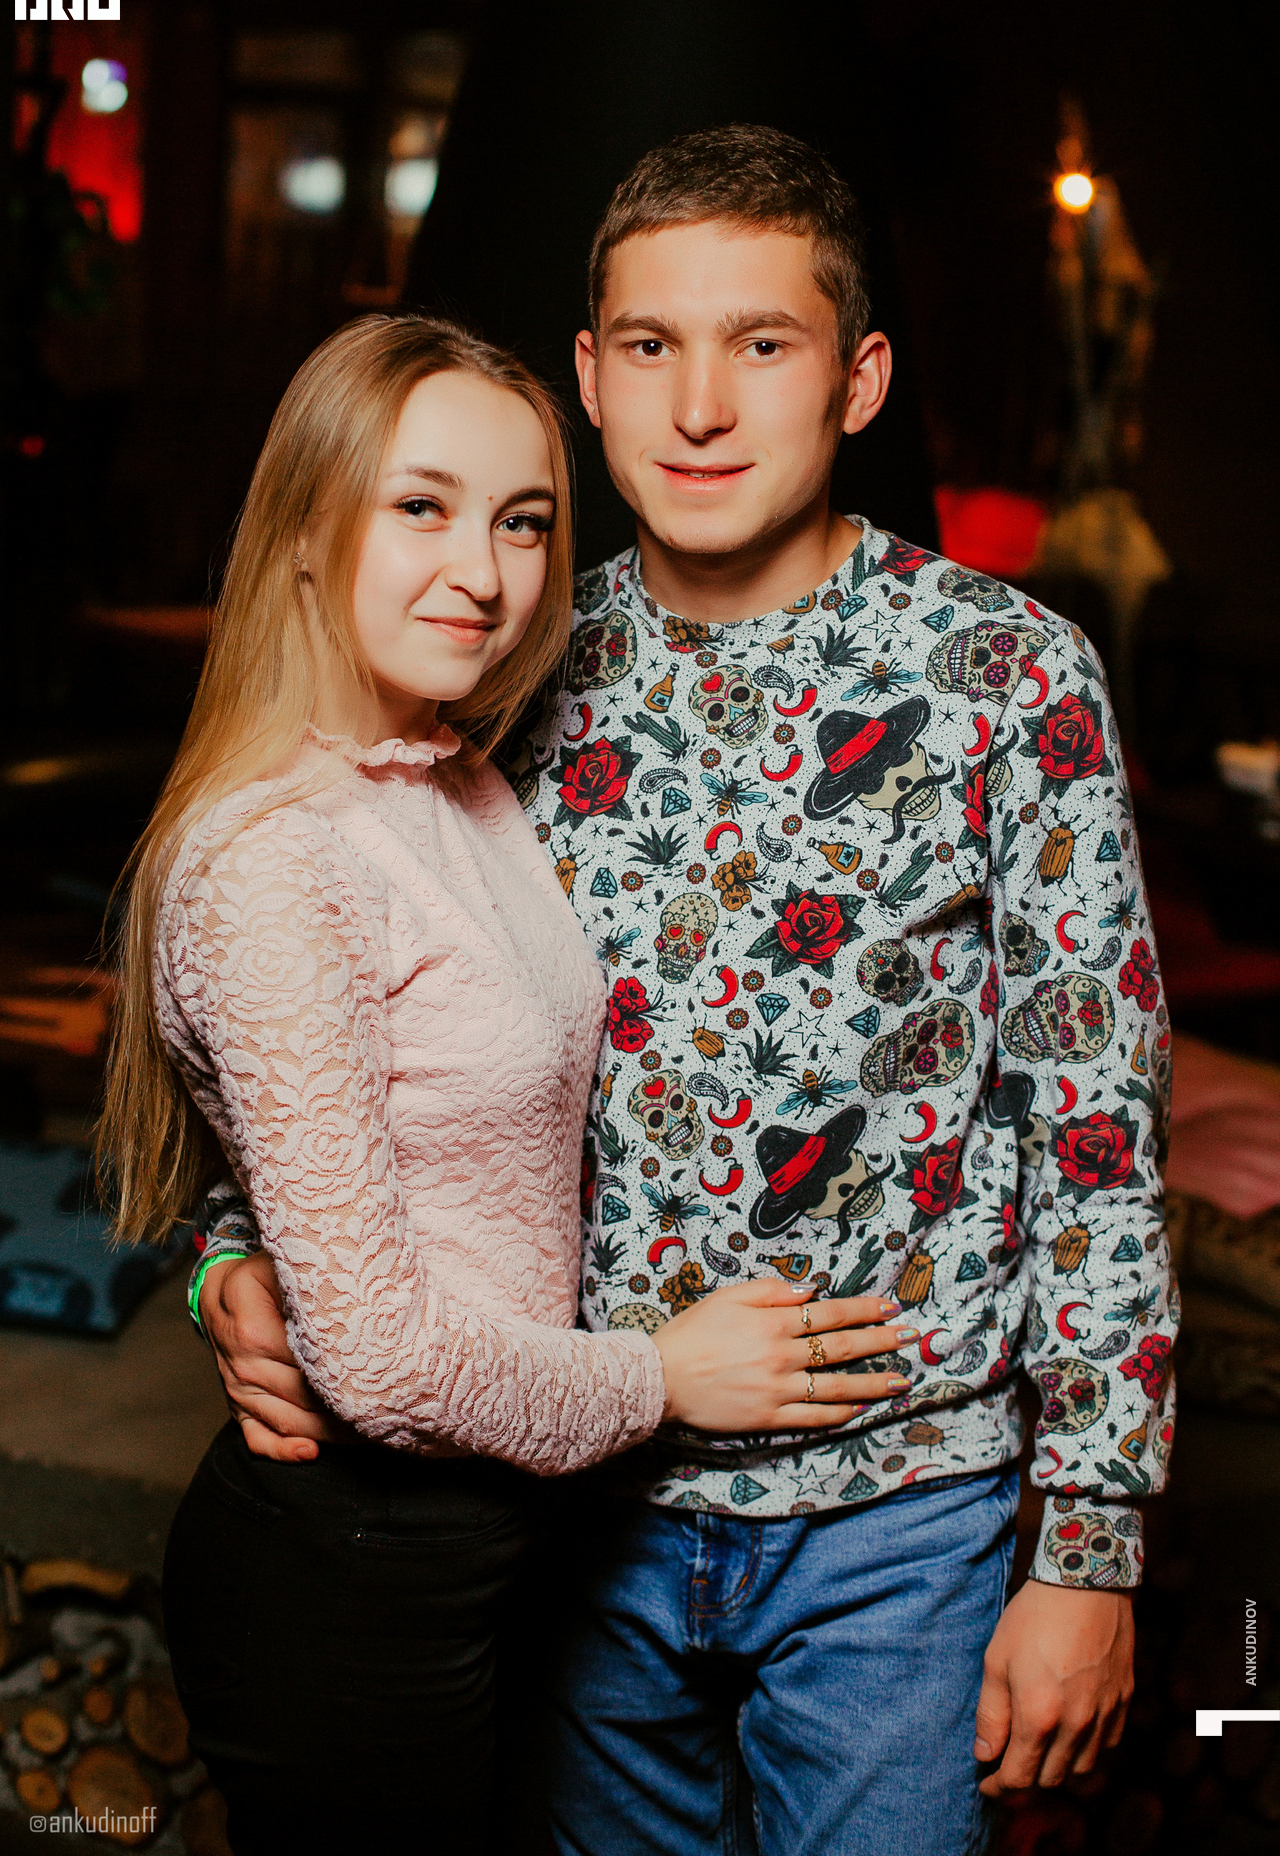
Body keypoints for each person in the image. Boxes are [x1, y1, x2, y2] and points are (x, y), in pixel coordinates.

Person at [195, 129, 1175, 1856]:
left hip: (898, 1517)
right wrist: (231, 1258)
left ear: (860, 380)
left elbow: (1094, 1122)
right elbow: (322, 999)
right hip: (576, 1514)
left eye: (763, 344)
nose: (700, 407)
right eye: (651, 346)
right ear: (588, 378)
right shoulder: (506, 657)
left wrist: (1089, 1552)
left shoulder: (1008, 680)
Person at [98, 312, 917, 1854]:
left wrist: (227, 1260)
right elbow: (381, 1362)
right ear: (304, 528)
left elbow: (392, 1137)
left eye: (523, 521)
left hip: (504, 1552)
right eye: (422, 505)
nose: (481, 572)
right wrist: (665, 1380)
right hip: (355, 1581)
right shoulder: (273, 861)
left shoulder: (458, 778)